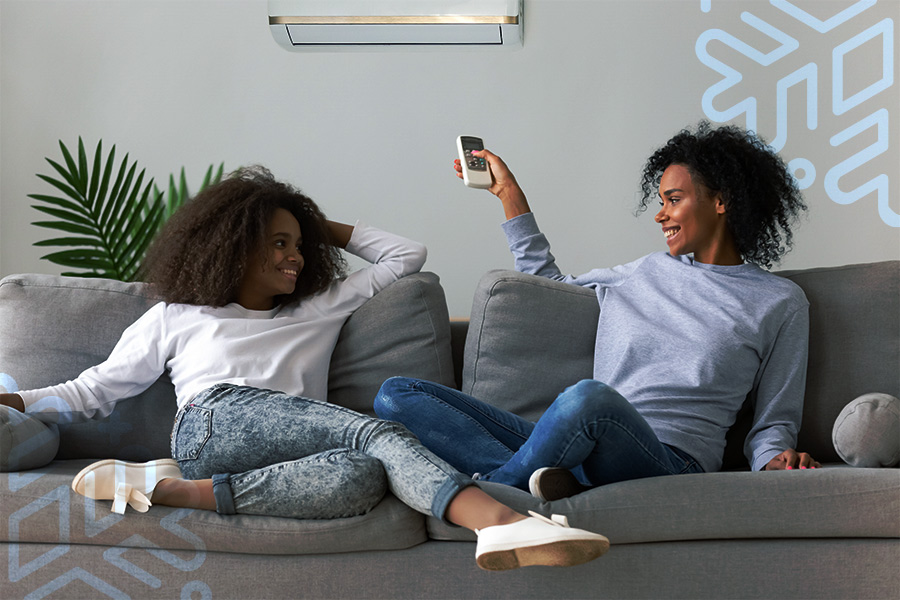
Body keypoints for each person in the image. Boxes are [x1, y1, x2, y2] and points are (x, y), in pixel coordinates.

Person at [0, 166, 609, 571]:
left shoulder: (320, 306)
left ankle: (174, 491)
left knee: (364, 476)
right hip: (214, 424)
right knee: (373, 431)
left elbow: (406, 256)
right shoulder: (177, 315)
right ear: (234, 244)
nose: (295, 257)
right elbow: (95, 389)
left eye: (299, 244)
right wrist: (16, 402)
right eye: (277, 243)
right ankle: (499, 520)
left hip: (287, 457)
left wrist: (307, 221)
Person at [375, 122, 820, 503]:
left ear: (721, 201)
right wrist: (508, 194)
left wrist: (772, 463)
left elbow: (775, 419)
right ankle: (545, 481)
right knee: (398, 393)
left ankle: (498, 492)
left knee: (589, 399)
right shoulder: (642, 273)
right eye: (661, 201)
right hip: (579, 443)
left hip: (669, 461)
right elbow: (546, 286)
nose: (660, 215)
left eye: (673, 199)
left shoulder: (778, 300)